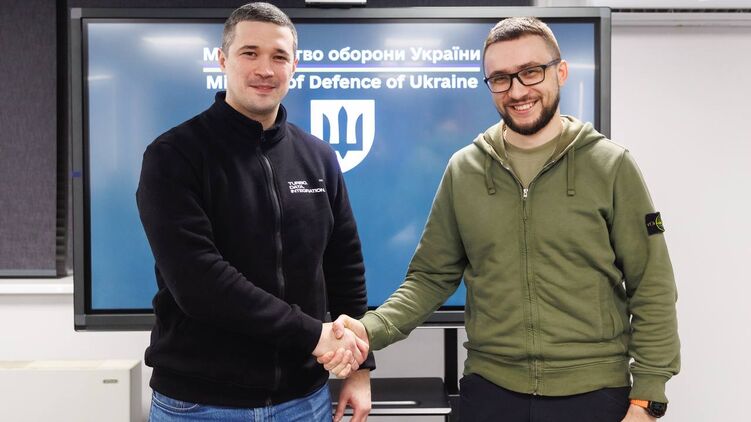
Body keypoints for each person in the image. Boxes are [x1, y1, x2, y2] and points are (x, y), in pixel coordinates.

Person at [321, 16, 680, 422]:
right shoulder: (465, 169)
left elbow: (652, 285)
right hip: (491, 393)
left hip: (594, 394)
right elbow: (430, 279)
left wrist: (648, 397)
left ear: (561, 72)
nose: (518, 90)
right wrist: (369, 330)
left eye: (531, 72)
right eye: (501, 78)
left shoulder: (611, 166)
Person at [136, 3, 373, 421]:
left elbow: (344, 267)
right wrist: (313, 335)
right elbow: (199, 283)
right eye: (250, 53)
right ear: (222, 60)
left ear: (294, 66)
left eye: (279, 56)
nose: (265, 69)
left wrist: (358, 370)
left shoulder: (319, 157)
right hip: (200, 405)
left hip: (304, 401)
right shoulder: (174, 155)